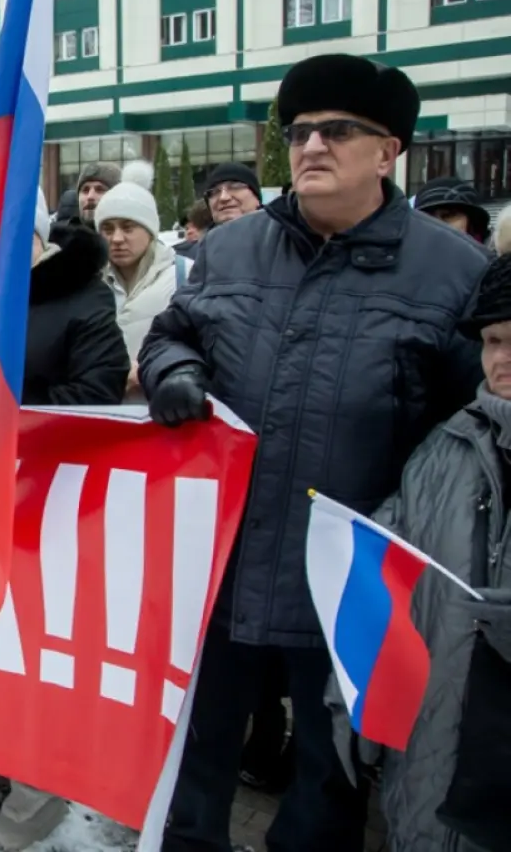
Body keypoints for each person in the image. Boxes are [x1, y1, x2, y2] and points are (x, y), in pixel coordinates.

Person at [139, 53, 490, 852]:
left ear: (388, 150)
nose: (311, 147)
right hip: (221, 568)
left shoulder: (455, 274)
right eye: (298, 132)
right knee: (195, 763)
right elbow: (171, 336)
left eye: (338, 131)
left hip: (355, 586)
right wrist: (175, 372)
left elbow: (472, 427)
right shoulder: (230, 251)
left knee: (328, 781)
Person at [0, 198, 128, 850]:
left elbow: (99, 392)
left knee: (38, 644)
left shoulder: (83, 298)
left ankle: (39, 788)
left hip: (54, 498)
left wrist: (10, 418)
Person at [352, 254, 511, 852]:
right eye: (494, 340)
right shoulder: (445, 450)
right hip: (429, 769)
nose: (503, 358)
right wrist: (356, 710)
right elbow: (378, 584)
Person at [93, 163, 192, 400]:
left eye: (128, 228)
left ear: (150, 230)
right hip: (108, 419)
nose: (116, 238)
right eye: (107, 229)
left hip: (166, 416)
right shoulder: (90, 284)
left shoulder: (185, 276)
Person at [415, 176, 490, 246]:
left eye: (448, 215)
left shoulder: (491, 258)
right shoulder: (408, 257)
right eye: (428, 218)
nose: (438, 225)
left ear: (472, 223)